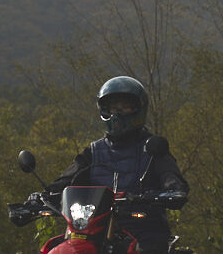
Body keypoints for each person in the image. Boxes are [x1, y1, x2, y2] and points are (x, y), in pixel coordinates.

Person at [42, 76, 189, 254]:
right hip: (95, 234)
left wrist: (171, 190)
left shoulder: (153, 149)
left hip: (144, 232)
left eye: (124, 107)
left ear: (138, 108)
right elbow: (64, 182)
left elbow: (171, 178)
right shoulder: (92, 153)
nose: (117, 114)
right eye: (112, 108)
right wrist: (42, 197)